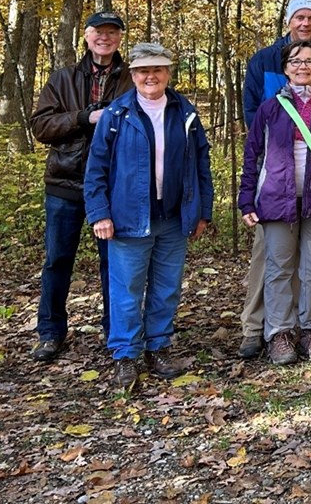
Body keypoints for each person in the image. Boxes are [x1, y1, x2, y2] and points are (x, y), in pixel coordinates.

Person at [84, 43, 213, 391]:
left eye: (157, 69)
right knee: (126, 288)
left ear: (168, 73)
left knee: (166, 287)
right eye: (143, 71)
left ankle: (158, 347)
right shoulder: (117, 114)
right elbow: (96, 168)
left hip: (174, 216)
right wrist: (99, 213)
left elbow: (201, 163)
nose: (150, 76)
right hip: (128, 218)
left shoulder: (183, 111)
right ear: (133, 75)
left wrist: (203, 210)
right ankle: (126, 355)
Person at [237, 0, 311, 358]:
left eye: (309, 61)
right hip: (276, 191)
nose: (303, 66)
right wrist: (247, 196)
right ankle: (271, 332)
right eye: (298, 17)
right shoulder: (266, 82)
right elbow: (253, 146)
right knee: (275, 265)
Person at [28, 10, 132, 362]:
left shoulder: (133, 79)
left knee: (114, 263)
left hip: (113, 187)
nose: (105, 38)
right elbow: (41, 126)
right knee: (58, 260)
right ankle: (50, 332)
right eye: (98, 32)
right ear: (86, 36)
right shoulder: (63, 78)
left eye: (112, 32)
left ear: (119, 38)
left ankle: (115, 331)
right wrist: (83, 117)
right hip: (66, 183)